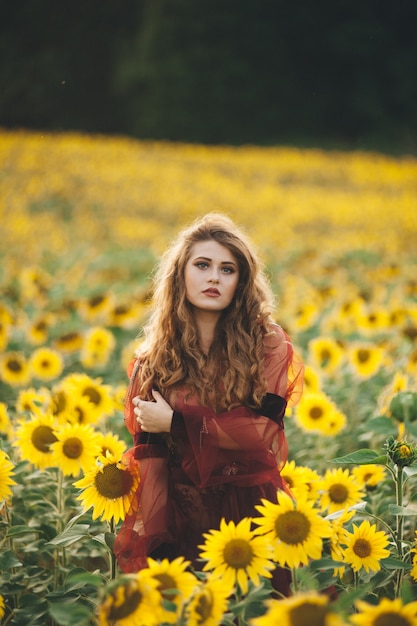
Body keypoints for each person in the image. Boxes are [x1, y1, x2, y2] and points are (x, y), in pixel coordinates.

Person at [114, 213, 304, 594]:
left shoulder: (267, 344)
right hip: (184, 513)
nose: (214, 277)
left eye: (227, 269)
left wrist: (176, 423)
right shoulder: (153, 360)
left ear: (241, 282)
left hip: (252, 508)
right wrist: (156, 536)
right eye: (202, 265)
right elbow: (149, 457)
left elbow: (260, 432)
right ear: (180, 275)